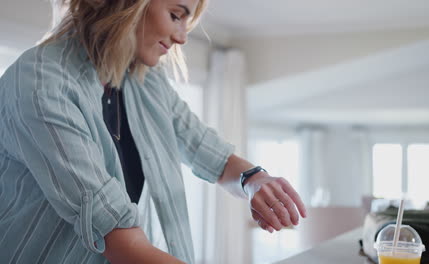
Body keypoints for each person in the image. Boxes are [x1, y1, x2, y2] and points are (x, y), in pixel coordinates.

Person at [0, 0, 307, 263]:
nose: (182, 37)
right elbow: (117, 237)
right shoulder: (42, 82)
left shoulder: (142, 79)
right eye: (176, 15)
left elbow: (205, 148)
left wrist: (254, 180)